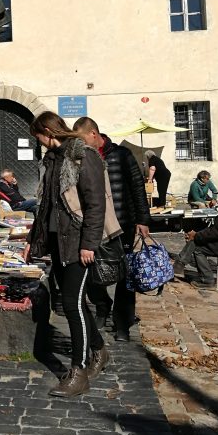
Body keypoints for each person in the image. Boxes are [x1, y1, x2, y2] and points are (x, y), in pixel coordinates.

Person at [26, 111, 120, 398]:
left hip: (79, 241)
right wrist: (33, 238)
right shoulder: (51, 161)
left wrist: (89, 244)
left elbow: (96, 205)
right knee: (72, 301)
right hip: (59, 241)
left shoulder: (83, 155)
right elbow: (44, 207)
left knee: (72, 303)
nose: (38, 143)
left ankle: (78, 371)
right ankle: (99, 350)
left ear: (47, 131)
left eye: (38, 137)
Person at [73, 117, 150, 342]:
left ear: (94, 134)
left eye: (83, 139)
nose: (82, 145)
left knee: (125, 276)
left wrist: (143, 219)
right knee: (91, 270)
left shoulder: (122, 155)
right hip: (94, 225)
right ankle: (102, 305)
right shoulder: (82, 158)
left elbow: (137, 188)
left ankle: (122, 322)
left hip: (122, 223)